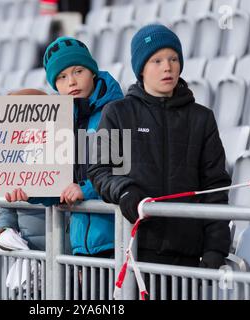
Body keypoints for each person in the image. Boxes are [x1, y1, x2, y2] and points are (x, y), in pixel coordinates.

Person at [88, 24, 232, 271]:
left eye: (173, 58)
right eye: (156, 60)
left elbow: (215, 187)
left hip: (186, 256)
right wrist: (125, 190)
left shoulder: (202, 118)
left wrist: (215, 248)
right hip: (133, 249)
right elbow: (100, 170)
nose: (168, 67)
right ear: (141, 69)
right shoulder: (119, 113)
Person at [4, 36, 124, 261]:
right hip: (81, 247)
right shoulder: (62, 121)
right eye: (62, 77)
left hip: (117, 240)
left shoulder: (117, 111)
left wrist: (84, 191)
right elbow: (60, 186)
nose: (71, 82)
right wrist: (31, 192)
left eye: (78, 71)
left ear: (92, 72)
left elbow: (123, 172)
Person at [0, 89, 48, 252]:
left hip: (68, 260)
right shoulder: (13, 163)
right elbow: (6, 211)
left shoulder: (66, 154)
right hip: (34, 260)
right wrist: (2, 230)